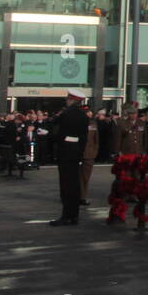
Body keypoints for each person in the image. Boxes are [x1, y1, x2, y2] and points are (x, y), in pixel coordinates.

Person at [45, 90, 89, 226]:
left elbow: (57, 130)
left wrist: (48, 135)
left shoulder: (66, 114)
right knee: (74, 185)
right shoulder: (84, 116)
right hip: (76, 153)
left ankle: (67, 216)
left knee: (66, 185)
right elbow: (84, 138)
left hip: (65, 152)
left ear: (71, 100)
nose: (66, 101)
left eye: (67, 99)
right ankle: (74, 215)